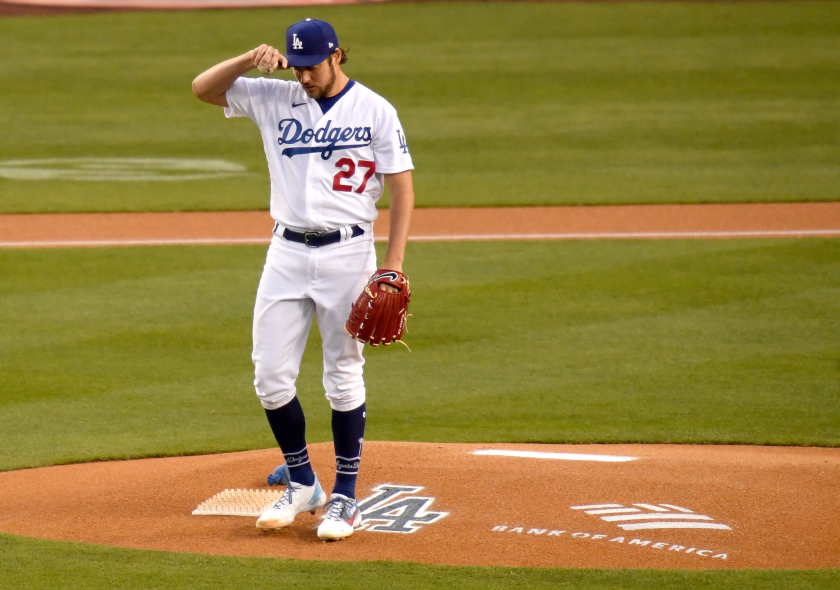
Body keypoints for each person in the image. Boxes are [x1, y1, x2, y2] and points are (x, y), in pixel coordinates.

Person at [191, 18, 414, 541]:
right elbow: (203, 88)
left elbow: (402, 189)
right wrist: (249, 59)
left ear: (337, 56)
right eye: (297, 67)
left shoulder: (375, 110)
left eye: (312, 66)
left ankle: (345, 497)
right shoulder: (274, 96)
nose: (304, 78)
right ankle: (303, 482)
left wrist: (395, 262)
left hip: (349, 252)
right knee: (270, 376)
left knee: (342, 375)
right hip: (286, 253)